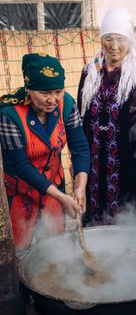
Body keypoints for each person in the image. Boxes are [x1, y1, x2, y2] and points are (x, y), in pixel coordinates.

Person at [0, 53, 90, 251]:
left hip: (53, 190)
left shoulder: (65, 104)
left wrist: (80, 186)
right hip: (20, 192)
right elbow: (21, 165)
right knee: (20, 251)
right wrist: (62, 197)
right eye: (45, 93)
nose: (52, 99)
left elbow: (80, 148)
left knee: (54, 247)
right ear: (29, 89)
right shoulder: (9, 114)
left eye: (58, 91)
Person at [77, 8, 136, 225]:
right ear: (101, 40)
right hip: (94, 166)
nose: (114, 45)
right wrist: (79, 168)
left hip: (127, 165)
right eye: (108, 38)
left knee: (127, 222)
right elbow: (81, 120)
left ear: (130, 40)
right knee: (94, 221)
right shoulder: (89, 73)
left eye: (120, 39)